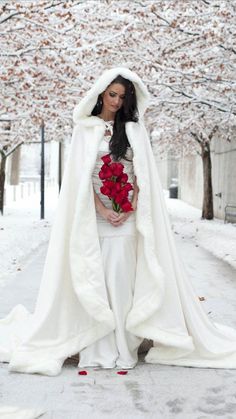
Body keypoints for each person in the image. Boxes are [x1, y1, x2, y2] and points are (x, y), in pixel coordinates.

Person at [1, 67, 236, 376]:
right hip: (94, 215)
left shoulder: (135, 131)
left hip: (127, 214)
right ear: (101, 94)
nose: (116, 101)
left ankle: (123, 344)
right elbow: (79, 181)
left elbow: (142, 176)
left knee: (121, 273)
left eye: (122, 97)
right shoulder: (86, 130)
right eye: (112, 95)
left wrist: (129, 206)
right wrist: (101, 208)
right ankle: (95, 342)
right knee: (94, 273)